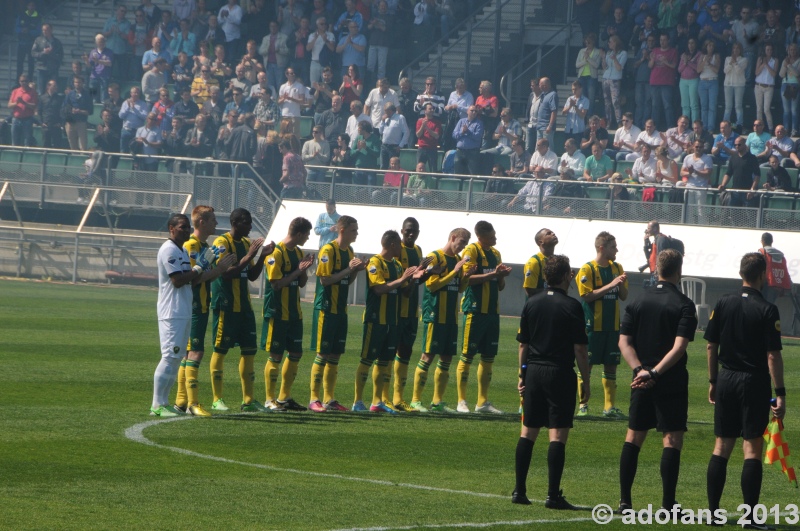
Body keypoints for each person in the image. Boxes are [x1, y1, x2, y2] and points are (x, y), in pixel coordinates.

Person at [705, 252, 785, 522]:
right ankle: (749, 517)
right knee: (751, 448)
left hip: (727, 378)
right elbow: (773, 355)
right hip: (754, 382)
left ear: (741, 273)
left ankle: (714, 513)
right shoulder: (767, 309)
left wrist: (714, 380)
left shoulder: (723, 302)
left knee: (721, 446)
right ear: (763, 276)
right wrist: (780, 394)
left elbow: (710, 345)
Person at [617, 249, 698, 512]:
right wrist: (654, 373)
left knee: (634, 437)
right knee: (672, 440)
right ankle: (667, 505)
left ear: (657, 270)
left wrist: (641, 370)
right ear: (679, 270)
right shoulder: (685, 304)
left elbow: (624, 342)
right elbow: (679, 347)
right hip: (670, 378)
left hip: (640, 379)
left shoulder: (637, 301)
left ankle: (625, 501)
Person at [512, 254, 590, 510]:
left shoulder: (531, 303)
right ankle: (552, 495)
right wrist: (586, 380)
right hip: (559, 372)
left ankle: (519, 491)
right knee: (557, 435)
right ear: (567, 276)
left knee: (528, 432)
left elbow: (523, 344)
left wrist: (522, 375)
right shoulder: (572, 306)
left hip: (534, 370)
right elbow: (580, 349)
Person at [173, 206, 237, 417]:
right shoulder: (191, 246)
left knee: (189, 353)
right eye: (213, 220)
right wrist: (218, 270)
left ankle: (181, 401)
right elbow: (193, 278)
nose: (216, 224)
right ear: (201, 222)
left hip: (200, 305)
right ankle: (193, 403)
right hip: (193, 306)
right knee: (196, 352)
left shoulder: (204, 246)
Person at [208, 208, 274, 412]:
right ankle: (217, 398)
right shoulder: (222, 243)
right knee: (220, 350)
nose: (251, 226)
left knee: (249, 351)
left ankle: (248, 399)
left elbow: (252, 275)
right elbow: (226, 274)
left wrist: (261, 256)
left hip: (244, 306)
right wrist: (250, 255)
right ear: (235, 223)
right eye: (247, 222)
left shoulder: (246, 244)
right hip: (226, 305)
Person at [353, 230, 421, 413]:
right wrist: (403, 279)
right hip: (376, 320)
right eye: (399, 245)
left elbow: (405, 291)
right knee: (367, 360)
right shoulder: (375, 263)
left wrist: (414, 278)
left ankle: (377, 402)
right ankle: (357, 401)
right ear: (392, 245)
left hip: (393, 321)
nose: (401, 248)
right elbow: (379, 289)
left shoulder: (398, 266)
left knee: (384, 362)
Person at [409, 228, 476, 412]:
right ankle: (415, 400)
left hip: (451, 317)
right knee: (428, 355)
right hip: (435, 314)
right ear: (453, 238)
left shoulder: (457, 260)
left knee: (446, 357)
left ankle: (437, 402)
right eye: (461, 242)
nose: (462, 247)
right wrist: (454, 272)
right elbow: (431, 286)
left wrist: (466, 276)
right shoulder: (435, 257)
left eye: (465, 244)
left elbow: (460, 288)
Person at [310, 216, 367, 412]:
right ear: (342, 231)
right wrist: (348, 270)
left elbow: (346, 282)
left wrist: (355, 271)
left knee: (335, 355)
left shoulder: (349, 251)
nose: (356, 233)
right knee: (322, 354)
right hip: (326, 309)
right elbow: (325, 280)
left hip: (341, 310)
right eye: (354, 230)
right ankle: (313, 399)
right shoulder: (328, 250)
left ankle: (329, 399)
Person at [151, 214, 204, 417]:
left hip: (182, 310)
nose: (186, 230)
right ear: (171, 228)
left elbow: (190, 280)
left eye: (188, 227)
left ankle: (164, 402)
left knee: (176, 357)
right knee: (169, 356)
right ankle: (157, 404)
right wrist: (199, 268)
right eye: (182, 227)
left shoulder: (181, 250)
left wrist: (205, 268)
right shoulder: (169, 249)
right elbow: (177, 281)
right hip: (171, 311)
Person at [456, 221, 511, 414]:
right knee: (467, 356)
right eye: (491, 236)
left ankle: (482, 402)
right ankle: (461, 401)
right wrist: (492, 275)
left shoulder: (495, 254)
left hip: (492, 313)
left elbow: (500, 286)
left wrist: (501, 276)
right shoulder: (472, 251)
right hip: (475, 310)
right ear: (480, 237)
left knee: (488, 357)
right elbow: (467, 279)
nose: (495, 238)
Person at [262, 217, 315, 412]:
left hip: (294, 312)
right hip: (278, 311)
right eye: (307, 234)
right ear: (299, 233)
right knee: (276, 355)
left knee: (296, 353)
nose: (307, 238)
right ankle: (269, 399)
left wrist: (305, 269)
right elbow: (276, 284)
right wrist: (296, 271)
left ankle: (284, 398)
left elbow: (301, 284)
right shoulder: (276, 253)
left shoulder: (298, 252)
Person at [575, 231, 628, 418]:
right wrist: (611, 284)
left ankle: (609, 407)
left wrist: (620, 283)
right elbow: (586, 296)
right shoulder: (587, 269)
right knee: (585, 366)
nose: (617, 250)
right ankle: (583, 405)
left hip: (612, 327)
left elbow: (623, 296)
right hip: (592, 328)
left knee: (611, 366)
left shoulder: (617, 268)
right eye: (613, 247)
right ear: (602, 248)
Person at [718, 135, 759, 207]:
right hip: (735, 192)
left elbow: (757, 175)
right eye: (735, 145)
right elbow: (728, 173)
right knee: (735, 215)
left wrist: (752, 190)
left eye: (739, 144)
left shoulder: (752, 158)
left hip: (747, 191)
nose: (737, 146)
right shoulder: (733, 158)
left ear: (744, 145)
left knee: (749, 215)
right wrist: (723, 185)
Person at [759, 232, 794, 304]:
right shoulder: (781, 256)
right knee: (770, 305)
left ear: (762, 241)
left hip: (766, 284)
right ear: (772, 241)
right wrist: (790, 285)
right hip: (777, 286)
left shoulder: (762, 252)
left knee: (762, 305)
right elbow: (785, 270)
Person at [523, 228, 558, 297]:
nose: (553, 234)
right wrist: (551, 292)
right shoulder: (534, 262)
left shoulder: (556, 261)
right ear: (541, 242)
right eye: (548, 233)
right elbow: (530, 290)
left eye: (553, 232)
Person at [62, 76, 93, 151]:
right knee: (73, 147)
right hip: (70, 123)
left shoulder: (87, 95)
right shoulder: (70, 94)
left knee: (83, 146)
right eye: (76, 82)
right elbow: (64, 107)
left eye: (79, 82)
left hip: (81, 123)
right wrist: (71, 110)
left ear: (83, 83)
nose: (77, 84)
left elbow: (90, 111)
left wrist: (80, 111)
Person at [31, 23, 63, 94]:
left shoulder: (57, 42)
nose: (44, 31)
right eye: (43, 30)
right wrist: (43, 53)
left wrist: (52, 53)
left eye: (46, 30)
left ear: (51, 30)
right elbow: (33, 53)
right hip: (41, 68)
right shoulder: (38, 40)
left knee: (53, 90)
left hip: (53, 69)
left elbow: (60, 56)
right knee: (41, 91)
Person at [452, 105, 483, 175]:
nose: (474, 112)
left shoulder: (479, 123)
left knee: (472, 173)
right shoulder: (461, 121)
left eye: (476, 111)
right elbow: (454, 134)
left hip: (472, 152)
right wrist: (462, 132)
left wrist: (468, 132)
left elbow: (478, 137)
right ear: (467, 111)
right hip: (460, 151)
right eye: (472, 111)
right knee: (457, 173)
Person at [8, 74, 38, 147]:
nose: (24, 83)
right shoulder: (15, 91)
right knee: (15, 141)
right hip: (16, 119)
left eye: (25, 81)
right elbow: (9, 105)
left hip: (27, 120)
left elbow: (34, 106)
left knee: (27, 142)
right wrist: (17, 103)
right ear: (19, 82)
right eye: (22, 81)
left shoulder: (33, 92)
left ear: (28, 82)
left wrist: (24, 103)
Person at [39, 80, 64, 148]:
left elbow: (62, 111)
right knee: (46, 145)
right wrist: (41, 123)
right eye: (54, 86)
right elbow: (39, 112)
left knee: (57, 145)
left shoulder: (59, 98)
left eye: (56, 86)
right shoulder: (42, 98)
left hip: (56, 125)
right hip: (46, 125)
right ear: (48, 86)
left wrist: (60, 122)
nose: (56, 87)